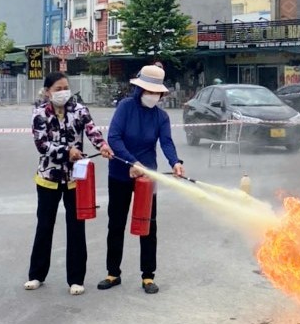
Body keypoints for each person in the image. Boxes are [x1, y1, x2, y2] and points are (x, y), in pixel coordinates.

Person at [99, 65, 184, 294]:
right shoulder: (125, 107)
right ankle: (113, 273)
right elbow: (114, 138)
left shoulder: (161, 116)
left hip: (147, 178)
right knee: (116, 224)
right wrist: (131, 162)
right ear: (140, 89)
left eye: (157, 92)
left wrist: (175, 162)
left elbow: (166, 142)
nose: (153, 96)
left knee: (148, 225)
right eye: (149, 91)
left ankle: (148, 276)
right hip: (119, 173)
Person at [25, 72, 113, 295]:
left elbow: (92, 131)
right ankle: (36, 275)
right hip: (48, 178)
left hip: (76, 179)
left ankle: (76, 279)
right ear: (47, 91)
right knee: (44, 226)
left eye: (66, 87)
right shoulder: (39, 114)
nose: (63, 91)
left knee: (76, 228)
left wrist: (102, 146)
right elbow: (42, 145)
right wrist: (67, 151)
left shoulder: (79, 110)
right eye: (57, 88)